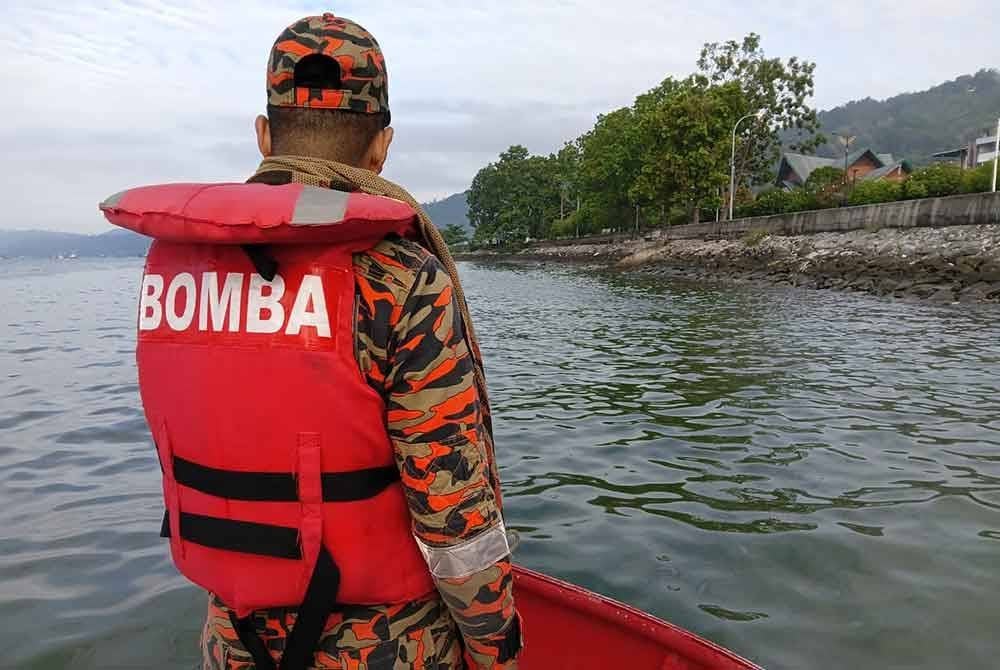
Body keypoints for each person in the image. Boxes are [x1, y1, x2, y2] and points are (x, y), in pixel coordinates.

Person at [103, 13, 520, 670]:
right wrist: (497, 650)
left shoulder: (173, 273)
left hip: (233, 641)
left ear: (264, 135)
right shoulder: (401, 278)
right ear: (381, 147)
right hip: (390, 647)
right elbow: (455, 516)